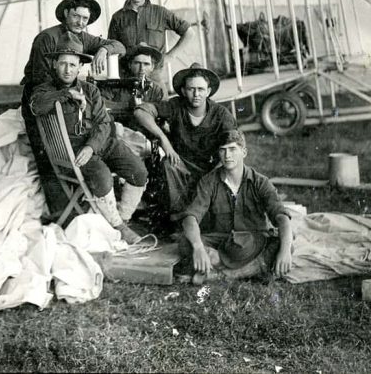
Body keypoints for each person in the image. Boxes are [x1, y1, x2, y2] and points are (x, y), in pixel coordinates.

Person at [30, 32, 147, 244]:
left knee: (138, 171)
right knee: (101, 175)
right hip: (71, 150)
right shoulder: (43, 90)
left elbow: (103, 122)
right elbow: (37, 107)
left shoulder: (90, 90)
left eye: (73, 65)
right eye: (63, 64)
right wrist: (66, 94)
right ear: (55, 64)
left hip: (97, 143)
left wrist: (92, 147)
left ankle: (122, 219)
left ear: (79, 67)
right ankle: (118, 227)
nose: (68, 70)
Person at [21, 0, 125, 216]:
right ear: (66, 13)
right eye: (76, 16)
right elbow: (41, 81)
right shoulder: (46, 38)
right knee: (50, 156)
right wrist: (68, 92)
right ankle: (62, 214)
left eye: (85, 19)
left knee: (80, 142)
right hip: (41, 98)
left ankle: (86, 210)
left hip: (68, 97)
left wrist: (104, 50)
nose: (80, 22)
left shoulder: (84, 37)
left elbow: (120, 46)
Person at [177, 130, 293, 284]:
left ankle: (224, 275)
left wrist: (284, 252)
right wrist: (198, 248)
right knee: (186, 242)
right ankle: (254, 270)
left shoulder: (260, 182)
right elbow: (190, 218)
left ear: (243, 152)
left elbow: (282, 218)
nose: (227, 156)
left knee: (286, 243)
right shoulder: (209, 181)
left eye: (232, 149)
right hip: (222, 240)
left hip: (253, 242)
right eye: (222, 150)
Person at [133, 63, 236, 220]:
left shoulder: (221, 114)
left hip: (211, 168)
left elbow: (233, 145)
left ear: (208, 91)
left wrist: (218, 170)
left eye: (201, 89)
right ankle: (177, 218)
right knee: (168, 164)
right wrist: (163, 139)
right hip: (181, 165)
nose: (196, 94)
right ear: (183, 91)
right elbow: (141, 111)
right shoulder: (176, 106)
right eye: (191, 89)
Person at [108, 0, 193, 85]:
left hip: (154, 76)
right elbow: (112, 48)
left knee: (159, 103)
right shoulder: (117, 17)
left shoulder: (161, 13)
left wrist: (170, 56)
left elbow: (189, 32)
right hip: (127, 77)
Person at [100, 42, 165, 131]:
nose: (142, 68)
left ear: (152, 67)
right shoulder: (115, 84)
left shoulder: (156, 90)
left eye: (146, 64)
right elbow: (100, 104)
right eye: (137, 63)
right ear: (130, 65)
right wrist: (127, 105)